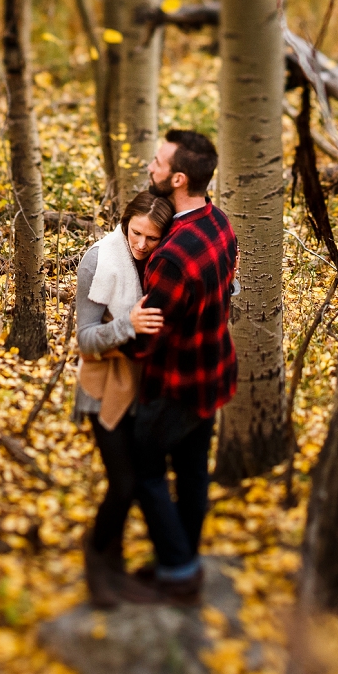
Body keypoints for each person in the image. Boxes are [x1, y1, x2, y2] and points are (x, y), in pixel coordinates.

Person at [124, 128, 237, 606]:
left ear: (178, 179)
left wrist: (120, 331)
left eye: (158, 162)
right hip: (212, 374)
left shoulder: (171, 256)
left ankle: (179, 569)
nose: (150, 167)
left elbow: (148, 337)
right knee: (191, 472)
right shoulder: (219, 222)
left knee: (141, 471)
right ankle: (183, 559)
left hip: (175, 384)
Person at [72, 190, 172, 608]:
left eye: (151, 238)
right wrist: (127, 327)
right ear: (124, 223)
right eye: (135, 233)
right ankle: (96, 562)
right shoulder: (99, 260)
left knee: (136, 485)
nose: (140, 245)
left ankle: (114, 564)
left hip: (143, 389)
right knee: (124, 481)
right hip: (101, 386)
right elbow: (85, 340)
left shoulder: (163, 262)